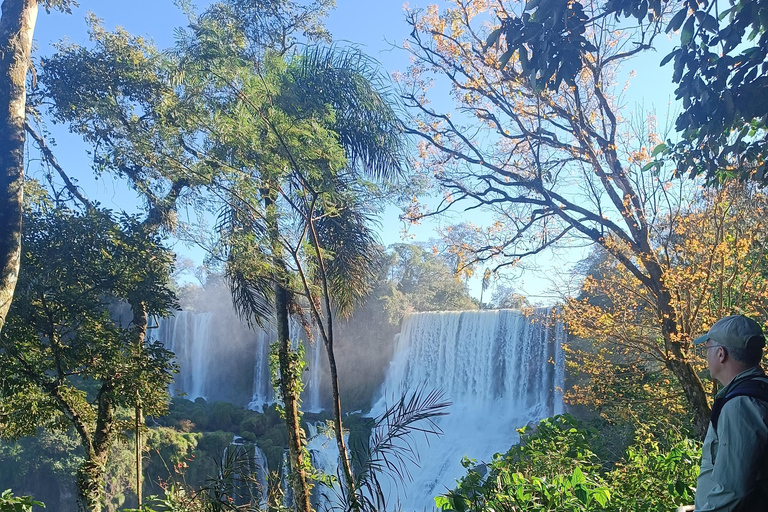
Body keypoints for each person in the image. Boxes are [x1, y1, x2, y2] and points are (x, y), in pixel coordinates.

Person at [689, 314, 768, 512]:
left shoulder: (740, 406)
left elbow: (733, 491)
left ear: (721, 354)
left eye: (707, 348)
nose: (705, 356)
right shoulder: (759, 391)